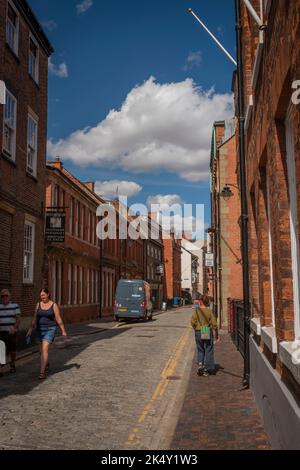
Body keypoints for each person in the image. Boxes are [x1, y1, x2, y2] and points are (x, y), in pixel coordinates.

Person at [27, 288, 67, 380]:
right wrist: (30, 330)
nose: (42, 297)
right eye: (41, 296)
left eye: (43, 295)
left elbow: (58, 319)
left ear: (48, 294)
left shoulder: (54, 305)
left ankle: (42, 372)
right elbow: (34, 319)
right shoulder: (38, 305)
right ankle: (46, 363)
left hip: (50, 329)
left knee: (45, 349)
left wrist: (63, 330)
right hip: (39, 330)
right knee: (41, 352)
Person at [190, 294, 219, 376]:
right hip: (206, 329)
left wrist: (196, 328)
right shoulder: (209, 311)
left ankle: (200, 365)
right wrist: (216, 334)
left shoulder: (196, 310)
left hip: (198, 331)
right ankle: (208, 368)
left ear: (201, 301)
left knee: (200, 349)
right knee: (208, 349)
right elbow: (214, 324)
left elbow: (192, 322)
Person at [0, 289, 21, 373]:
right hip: (1, 332)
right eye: (2, 296)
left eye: (6, 296)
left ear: (9, 296)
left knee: (12, 350)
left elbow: (18, 319)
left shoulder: (15, 306)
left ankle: (12, 364)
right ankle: (1, 369)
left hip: (12, 332)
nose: (4, 297)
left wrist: (14, 328)